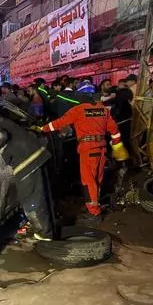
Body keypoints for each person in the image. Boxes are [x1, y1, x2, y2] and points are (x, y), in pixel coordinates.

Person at [35, 93, 129, 222]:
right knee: (97, 180)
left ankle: (94, 213)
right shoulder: (103, 110)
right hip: (102, 150)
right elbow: (114, 131)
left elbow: (60, 123)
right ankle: (95, 204)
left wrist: (42, 128)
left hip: (88, 150)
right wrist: (118, 148)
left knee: (88, 181)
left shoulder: (78, 110)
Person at [0, 114, 54, 241]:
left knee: (30, 198)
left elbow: (0, 136)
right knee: (39, 194)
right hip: (35, 153)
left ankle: (44, 233)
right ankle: (46, 226)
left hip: (27, 160)